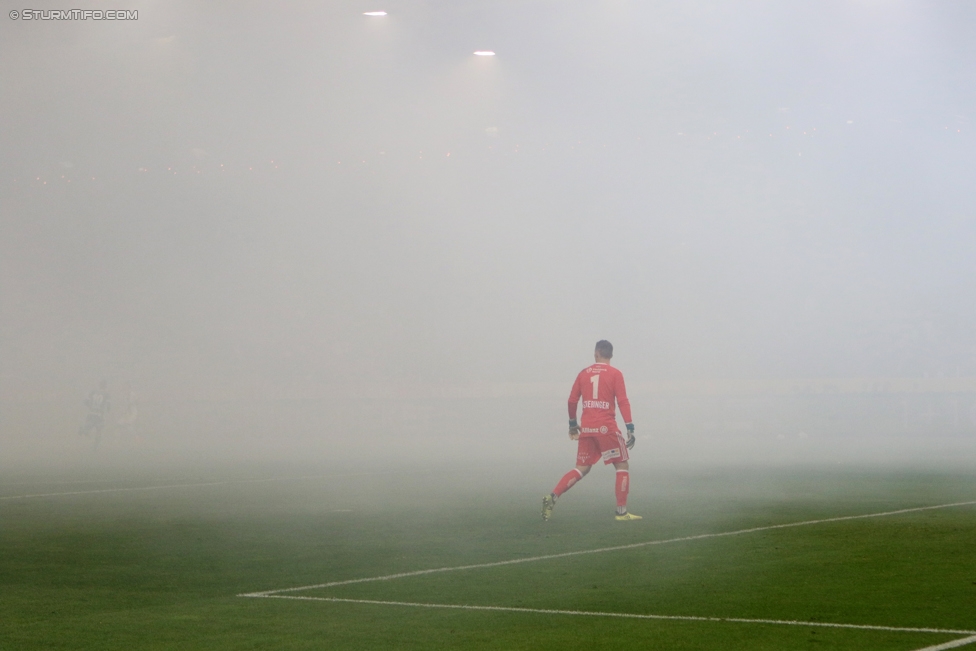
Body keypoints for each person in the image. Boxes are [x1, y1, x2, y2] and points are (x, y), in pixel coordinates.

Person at [542, 340, 640, 521]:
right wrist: (630, 427)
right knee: (622, 465)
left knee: (581, 468)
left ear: (596, 354)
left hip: (587, 428)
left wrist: (573, 424)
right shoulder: (616, 374)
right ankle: (621, 512)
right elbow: (623, 401)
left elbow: (572, 401)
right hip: (606, 428)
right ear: (611, 355)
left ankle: (553, 496)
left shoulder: (583, 373)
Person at [79, 379, 111, 449]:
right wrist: (108, 410)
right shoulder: (106, 394)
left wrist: (90, 407)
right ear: (105, 386)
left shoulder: (93, 392)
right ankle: (95, 447)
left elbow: (85, 401)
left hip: (91, 413)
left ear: (99, 385)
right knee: (99, 430)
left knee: (89, 427)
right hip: (99, 414)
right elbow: (108, 406)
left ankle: (83, 430)